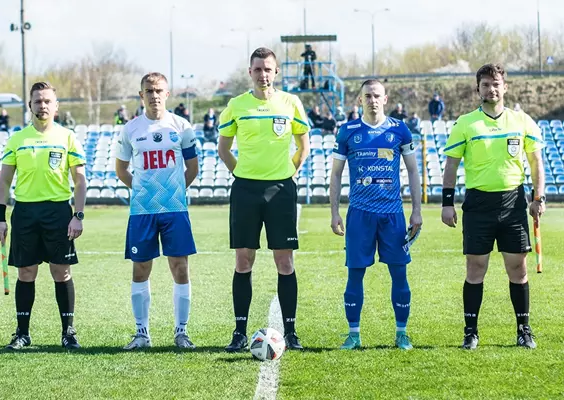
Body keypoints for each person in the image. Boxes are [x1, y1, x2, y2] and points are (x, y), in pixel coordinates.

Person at [441, 63, 546, 350]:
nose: (491, 89)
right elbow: (451, 165)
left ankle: (523, 330)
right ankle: (470, 332)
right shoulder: (465, 123)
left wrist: (538, 198)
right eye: (486, 84)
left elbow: (536, 161)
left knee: (518, 268)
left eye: (496, 84)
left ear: (505, 87)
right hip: (478, 205)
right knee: (475, 268)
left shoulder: (522, 121)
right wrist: (447, 203)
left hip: (513, 203)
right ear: (478, 89)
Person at [217, 47, 310, 352]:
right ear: (250, 72)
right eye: (257, 69)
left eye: (268, 69)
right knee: (243, 261)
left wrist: (288, 174)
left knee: (284, 261)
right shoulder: (236, 105)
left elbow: (303, 145)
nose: (263, 74)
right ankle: (239, 332)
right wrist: (241, 174)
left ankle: (291, 332)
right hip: (245, 191)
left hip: (281, 190)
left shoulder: (291, 103)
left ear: (276, 71)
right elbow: (224, 149)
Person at [329, 79, 422, 351]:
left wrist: (416, 211)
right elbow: (336, 174)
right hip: (359, 214)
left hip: (393, 214)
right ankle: (353, 335)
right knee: (354, 275)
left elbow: (413, 170)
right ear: (360, 100)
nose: (372, 100)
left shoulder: (399, 130)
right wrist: (334, 212)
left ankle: (402, 334)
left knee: (399, 274)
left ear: (385, 99)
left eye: (377, 95)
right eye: (367, 96)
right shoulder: (347, 131)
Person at [0, 81, 87, 350]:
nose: (42, 105)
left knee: (61, 271)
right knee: (26, 272)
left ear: (56, 106)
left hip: (58, 212)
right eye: (38, 101)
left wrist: (78, 215)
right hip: (25, 212)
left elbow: (80, 181)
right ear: (30, 105)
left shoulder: (67, 137)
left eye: (47, 101)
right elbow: (4, 182)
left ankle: (68, 333)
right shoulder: (17, 139)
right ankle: (22, 334)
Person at [115, 72, 199, 350]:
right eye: (149, 91)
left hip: (175, 209)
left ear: (167, 93)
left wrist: (174, 192)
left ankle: (181, 332)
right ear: (142, 95)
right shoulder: (130, 129)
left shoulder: (182, 126)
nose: (154, 95)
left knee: (180, 267)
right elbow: (121, 170)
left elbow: (193, 168)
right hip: (142, 211)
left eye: (159, 90)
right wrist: (142, 191)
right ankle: (142, 333)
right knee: (140, 269)